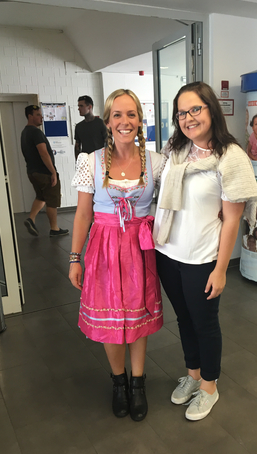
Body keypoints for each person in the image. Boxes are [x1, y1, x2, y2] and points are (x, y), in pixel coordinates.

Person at [153, 81, 257, 421]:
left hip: (202, 259)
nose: (188, 118)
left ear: (211, 109)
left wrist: (220, 269)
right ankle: (194, 374)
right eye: (182, 112)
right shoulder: (176, 150)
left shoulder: (230, 158)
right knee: (184, 319)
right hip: (168, 253)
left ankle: (210, 388)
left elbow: (232, 220)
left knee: (205, 324)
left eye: (195, 109)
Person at [69, 89, 163, 422]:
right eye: (118, 116)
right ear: (108, 121)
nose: (125, 122)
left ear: (140, 120)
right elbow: (82, 215)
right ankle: (118, 380)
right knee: (111, 320)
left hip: (140, 246)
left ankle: (138, 383)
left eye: (132, 115)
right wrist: (74, 257)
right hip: (104, 248)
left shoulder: (157, 161)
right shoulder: (91, 161)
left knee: (136, 317)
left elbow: (173, 203)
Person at [21, 105, 69, 237]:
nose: (41, 117)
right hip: (43, 172)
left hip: (32, 172)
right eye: (37, 114)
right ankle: (54, 229)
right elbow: (43, 153)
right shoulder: (36, 132)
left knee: (41, 196)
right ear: (30, 116)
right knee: (52, 200)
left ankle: (31, 218)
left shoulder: (25, 132)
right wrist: (53, 172)